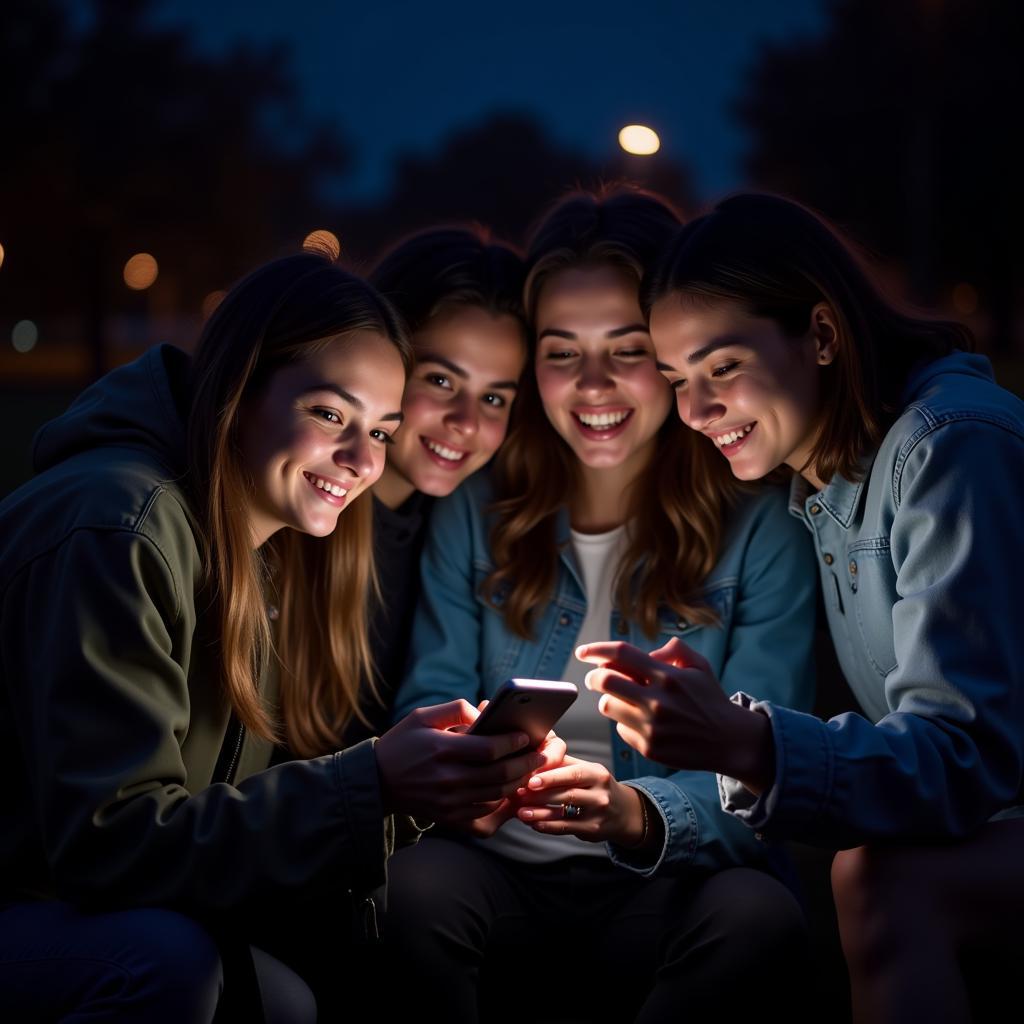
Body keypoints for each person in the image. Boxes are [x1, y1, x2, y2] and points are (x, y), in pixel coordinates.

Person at [0, 252, 558, 1023]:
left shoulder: (270, 540)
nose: (362, 460)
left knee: (288, 1000)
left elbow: (236, 805)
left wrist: (423, 790)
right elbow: (111, 846)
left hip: (82, 901)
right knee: (173, 968)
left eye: (379, 429)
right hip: (35, 897)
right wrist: (376, 782)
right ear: (241, 386)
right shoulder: (120, 525)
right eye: (330, 414)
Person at [579, 192, 1024, 1023]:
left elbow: (967, 755)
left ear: (821, 335)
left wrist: (744, 740)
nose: (693, 410)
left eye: (721, 367)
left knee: (878, 876)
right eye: (677, 380)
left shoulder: (950, 445)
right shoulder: (822, 489)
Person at [386, 188, 819, 1023]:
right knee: (410, 892)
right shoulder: (477, 510)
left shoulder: (759, 526)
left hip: (670, 877)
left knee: (758, 915)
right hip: (497, 870)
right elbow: (425, 695)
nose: (593, 385)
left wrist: (633, 814)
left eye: (626, 349)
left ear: (669, 348)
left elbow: (768, 770)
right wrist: (469, 779)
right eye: (561, 352)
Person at [344, 227, 527, 742]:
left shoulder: (463, 530)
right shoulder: (306, 512)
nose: (465, 422)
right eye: (441, 380)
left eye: (494, 398)